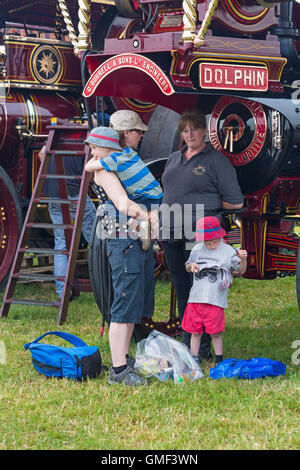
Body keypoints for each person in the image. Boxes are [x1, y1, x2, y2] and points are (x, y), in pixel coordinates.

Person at [85, 112, 163, 386]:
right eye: (136, 130)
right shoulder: (105, 169)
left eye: (95, 145)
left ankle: (125, 360)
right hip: (123, 236)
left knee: (133, 298)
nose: (91, 150)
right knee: (125, 296)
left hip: (132, 235)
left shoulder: (120, 162)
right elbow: (121, 204)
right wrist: (148, 216)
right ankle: (118, 370)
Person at [161, 109, 244, 358]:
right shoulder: (174, 157)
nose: (190, 134)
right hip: (170, 231)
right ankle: (190, 344)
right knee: (181, 286)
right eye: (185, 130)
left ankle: (202, 349)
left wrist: (206, 212)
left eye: (194, 129)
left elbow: (234, 202)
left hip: (199, 235)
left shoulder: (216, 160)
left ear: (204, 131)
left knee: (200, 291)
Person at [181, 216, 247, 365]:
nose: (211, 245)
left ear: (220, 236)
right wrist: (191, 267)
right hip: (196, 299)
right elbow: (187, 265)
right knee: (195, 332)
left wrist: (243, 259)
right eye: (207, 241)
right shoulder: (197, 249)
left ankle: (219, 359)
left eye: (214, 241)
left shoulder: (228, 251)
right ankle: (194, 360)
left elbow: (241, 271)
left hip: (215, 300)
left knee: (215, 333)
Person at [38, 143, 96, 301]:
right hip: (74, 193)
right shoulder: (89, 141)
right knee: (97, 240)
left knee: (61, 243)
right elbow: (90, 175)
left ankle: (62, 293)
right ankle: (104, 285)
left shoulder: (62, 135)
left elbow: (42, 154)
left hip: (53, 195)